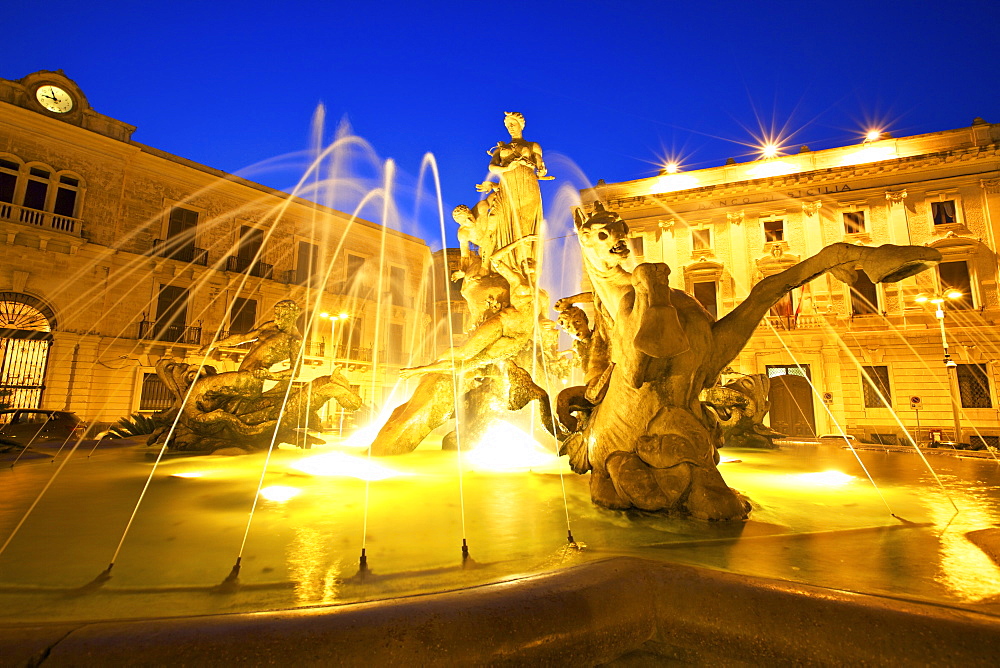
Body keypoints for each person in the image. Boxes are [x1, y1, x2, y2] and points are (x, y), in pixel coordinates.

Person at [475, 112, 550, 279]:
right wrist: (507, 169)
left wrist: (541, 169)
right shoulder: (501, 148)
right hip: (507, 188)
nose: (510, 127)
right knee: (494, 223)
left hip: (527, 186)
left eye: (513, 124)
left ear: (521, 125)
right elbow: (492, 167)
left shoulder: (532, 146)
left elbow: (540, 166)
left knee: (524, 224)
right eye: (508, 125)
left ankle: (525, 266)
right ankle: (486, 265)